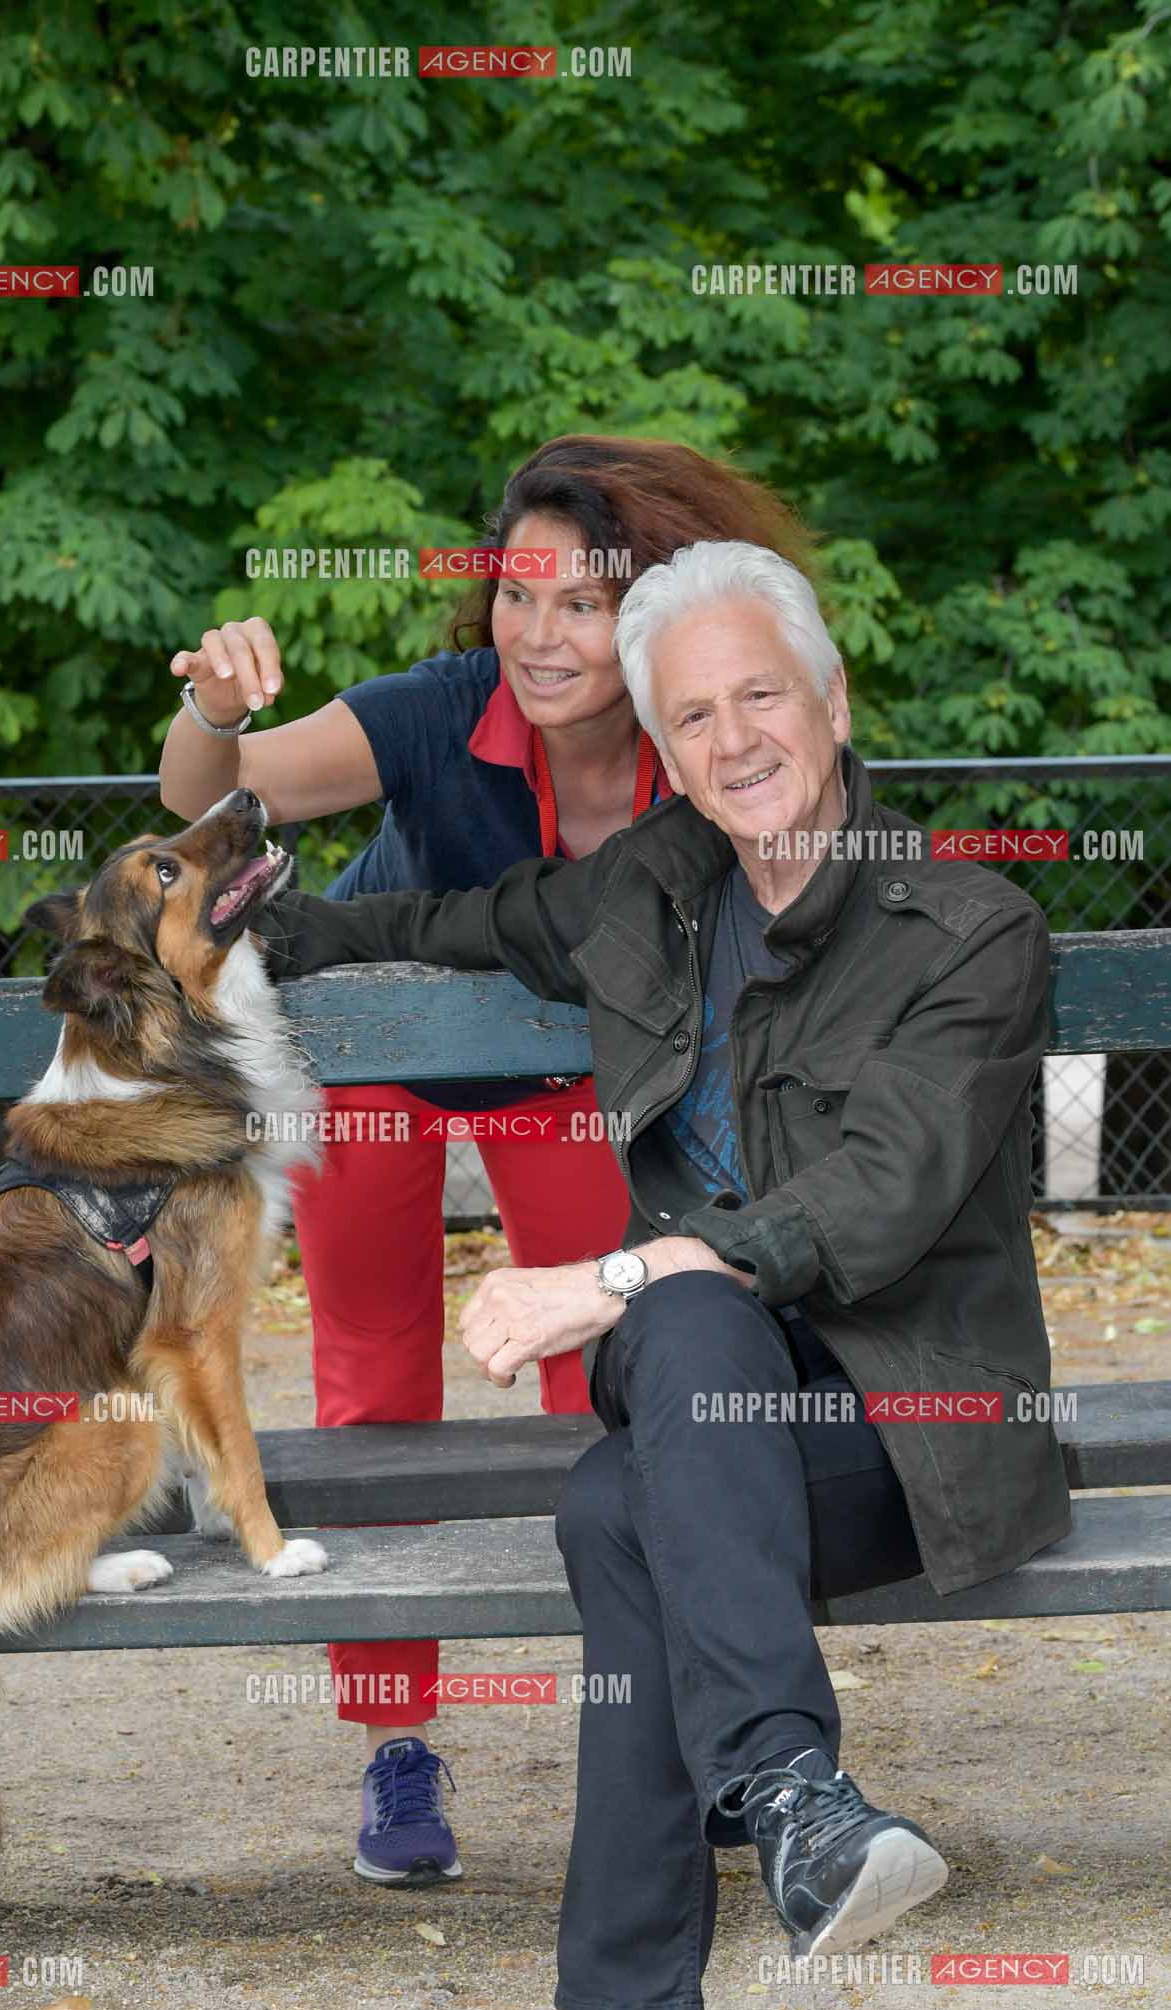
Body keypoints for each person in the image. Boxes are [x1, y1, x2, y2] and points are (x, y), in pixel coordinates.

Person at [248, 538, 1072, 2010]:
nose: (732, 740)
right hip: (716, 1416)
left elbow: (874, 1201)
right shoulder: (649, 889)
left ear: (832, 701)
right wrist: (240, 934)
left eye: (760, 694)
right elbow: (435, 914)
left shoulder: (969, 927)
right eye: (691, 716)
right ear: (664, 741)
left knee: (621, 1495)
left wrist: (601, 1276)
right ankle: (790, 1796)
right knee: (685, 1349)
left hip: (902, 1437)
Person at [160, 438, 815, 1888]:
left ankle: (686, 1718)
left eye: (582, 602)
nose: (539, 632)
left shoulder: (693, 728)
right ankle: (397, 1744)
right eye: (518, 594)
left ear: (644, 611)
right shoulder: (441, 708)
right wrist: (210, 709)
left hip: (578, 1074)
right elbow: (210, 798)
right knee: (378, 1377)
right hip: (383, 1050)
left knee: (628, 1374)